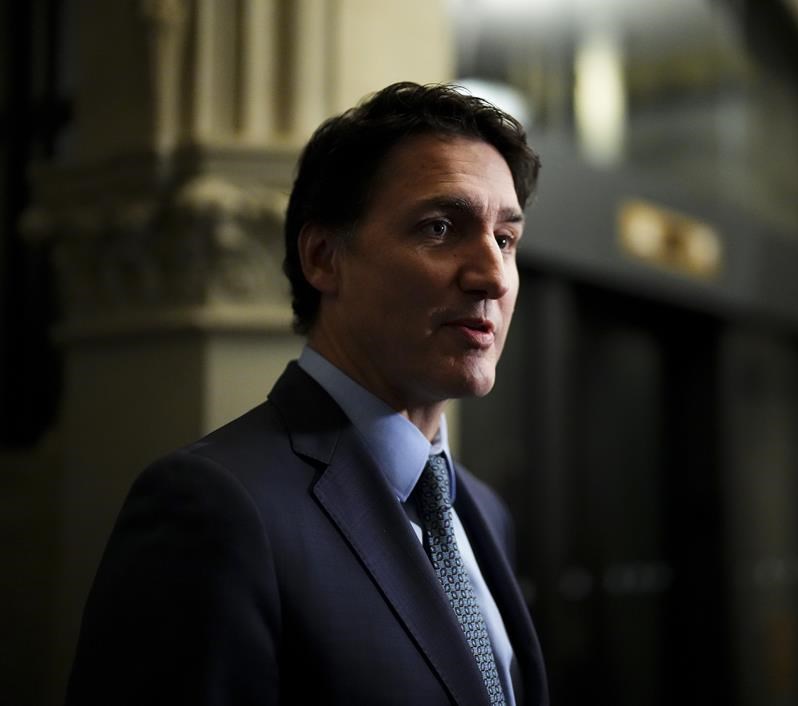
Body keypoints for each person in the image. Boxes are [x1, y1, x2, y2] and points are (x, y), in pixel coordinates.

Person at [65, 82, 546, 706]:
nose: (490, 275)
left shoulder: (481, 511)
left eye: (505, 239)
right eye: (439, 227)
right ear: (324, 257)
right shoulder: (213, 508)